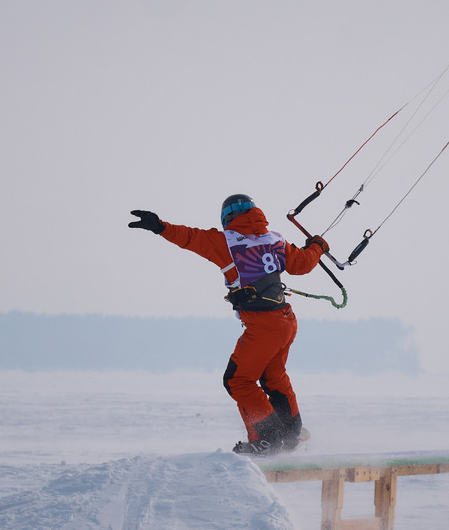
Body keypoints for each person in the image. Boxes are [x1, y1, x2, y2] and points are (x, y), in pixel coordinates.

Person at [128, 195, 328, 455]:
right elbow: (303, 264)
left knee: (237, 380)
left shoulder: (227, 241)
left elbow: (189, 237)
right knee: (273, 377)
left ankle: (266, 440)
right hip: (286, 321)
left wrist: (159, 226)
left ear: (227, 218)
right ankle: (290, 435)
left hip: (263, 326)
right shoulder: (275, 239)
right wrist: (318, 246)